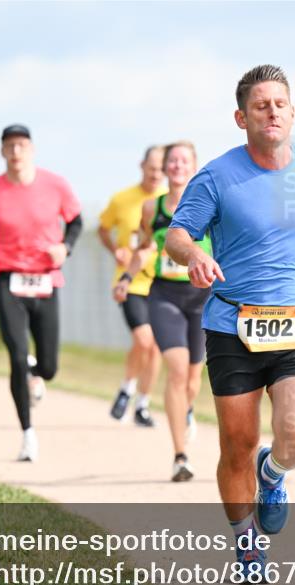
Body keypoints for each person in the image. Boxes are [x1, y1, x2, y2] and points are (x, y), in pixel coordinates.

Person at [165, 65, 295, 579]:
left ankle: (273, 473)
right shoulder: (218, 175)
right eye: (260, 104)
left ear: (292, 113)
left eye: (280, 103)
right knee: (237, 446)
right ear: (241, 116)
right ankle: (247, 545)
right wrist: (194, 256)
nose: (271, 111)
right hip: (231, 326)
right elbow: (177, 235)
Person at [0, 125, 82, 462]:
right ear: (2, 151)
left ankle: (37, 372)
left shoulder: (55, 184)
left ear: (31, 148)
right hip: (9, 280)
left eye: (21, 146)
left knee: (49, 367)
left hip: (46, 279)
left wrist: (65, 247)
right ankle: (28, 434)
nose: (16, 152)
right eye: (9, 147)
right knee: (16, 356)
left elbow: (76, 222)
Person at [115, 142, 210, 481]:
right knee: (178, 370)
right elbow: (145, 249)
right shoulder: (150, 208)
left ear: (194, 166)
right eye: (172, 160)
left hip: (201, 297)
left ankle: (185, 410)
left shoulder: (207, 205)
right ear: (165, 167)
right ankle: (180, 456)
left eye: (185, 160)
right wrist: (126, 277)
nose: (178, 165)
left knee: (193, 379)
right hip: (164, 295)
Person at [100, 146, 166, 426]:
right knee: (144, 340)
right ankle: (127, 388)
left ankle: (142, 404)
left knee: (155, 349)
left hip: (161, 282)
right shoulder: (122, 199)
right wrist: (115, 249)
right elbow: (103, 228)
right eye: (151, 168)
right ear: (142, 166)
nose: (155, 174)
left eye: (160, 169)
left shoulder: (171, 201)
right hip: (130, 282)